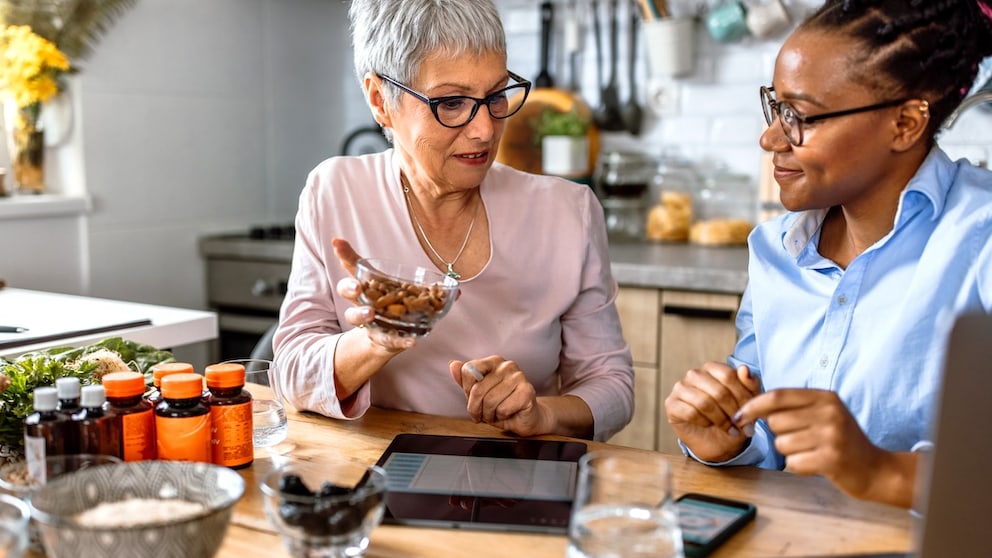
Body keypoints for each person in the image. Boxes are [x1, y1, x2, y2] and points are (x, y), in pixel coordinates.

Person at [664, 0, 992, 509]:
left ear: (905, 124)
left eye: (801, 117)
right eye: (776, 107)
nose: (770, 137)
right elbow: (766, 441)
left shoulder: (981, 238)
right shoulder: (775, 252)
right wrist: (728, 440)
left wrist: (882, 471)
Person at [272, 0, 634, 442]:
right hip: (374, 475)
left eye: (496, 95)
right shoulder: (336, 192)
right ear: (379, 100)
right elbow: (290, 373)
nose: (484, 129)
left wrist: (542, 415)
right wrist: (375, 341)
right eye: (452, 102)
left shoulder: (568, 211)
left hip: (519, 478)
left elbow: (613, 385)